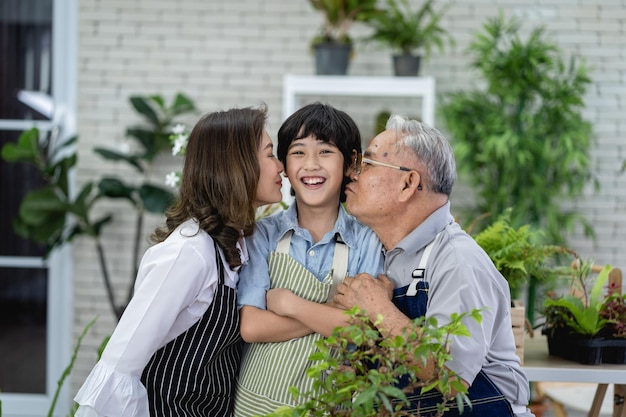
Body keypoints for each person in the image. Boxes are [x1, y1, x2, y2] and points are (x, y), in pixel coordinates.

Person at [73, 106, 285, 417]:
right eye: (270, 154)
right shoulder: (190, 252)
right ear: (237, 166)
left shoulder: (238, 243)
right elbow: (120, 362)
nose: (280, 166)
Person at [334, 115, 535, 416]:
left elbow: (450, 377)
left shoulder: (457, 260)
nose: (353, 173)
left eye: (369, 163)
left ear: (408, 183)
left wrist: (377, 307)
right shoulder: (375, 250)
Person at [233, 103, 384, 417]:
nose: (311, 165)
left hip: (328, 407)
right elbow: (252, 326)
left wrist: (289, 304)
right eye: (298, 152)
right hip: (256, 404)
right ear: (284, 167)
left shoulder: (366, 240)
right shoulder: (262, 235)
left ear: (350, 164)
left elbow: (362, 332)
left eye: (326, 152)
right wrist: (331, 317)